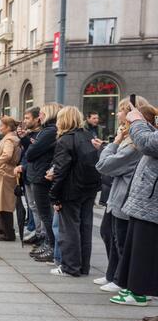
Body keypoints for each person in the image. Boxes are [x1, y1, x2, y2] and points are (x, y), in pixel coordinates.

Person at [94, 98, 147, 292]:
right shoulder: (129, 140)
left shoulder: (135, 144)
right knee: (111, 234)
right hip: (117, 195)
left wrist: (112, 144)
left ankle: (125, 283)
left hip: (125, 197)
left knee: (121, 240)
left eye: (122, 111)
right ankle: (114, 275)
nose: (119, 115)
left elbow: (105, 165)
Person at [112, 106, 158, 315]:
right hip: (146, 200)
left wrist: (138, 122)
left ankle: (138, 292)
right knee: (137, 249)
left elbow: (149, 144)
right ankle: (135, 289)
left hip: (151, 200)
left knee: (143, 251)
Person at [49, 106, 101, 277]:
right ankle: (83, 266)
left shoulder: (65, 140)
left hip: (71, 190)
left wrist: (54, 195)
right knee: (85, 228)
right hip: (88, 188)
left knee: (69, 229)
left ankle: (70, 267)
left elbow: (61, 169)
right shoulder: (88, 136)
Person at [25, 103, 62, 263]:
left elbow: (31, 153)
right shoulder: (47, 131)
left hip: (40, 176)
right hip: (38, 174)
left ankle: (51, 245)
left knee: (45, 213)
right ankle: (49, 243)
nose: (40, 116)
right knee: (43, 213)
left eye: (42, 113)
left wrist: (32, 146)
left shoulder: (49, 131)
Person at [15, 107, 44, 244]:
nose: (25, 121)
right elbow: (28, 152)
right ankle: (38, 233)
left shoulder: (42, 134)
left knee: (38, 207)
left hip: (35, 173)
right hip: (27, 173)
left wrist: (24, 166)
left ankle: (41, 235)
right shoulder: (30, 134)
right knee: (32, 206)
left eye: (27, 118)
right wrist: (23, 137)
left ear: (36, 119)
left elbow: (34, 155)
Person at [0, 117, 21, 241]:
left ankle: (7, 233)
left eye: (2, 125)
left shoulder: (9, 139)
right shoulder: (11, 138)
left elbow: (7, 155)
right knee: (4, 202)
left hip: (6, 173)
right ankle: (4, 231)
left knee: (5, 203)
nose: (0, 128)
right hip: (7, 172)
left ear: (8, 127)